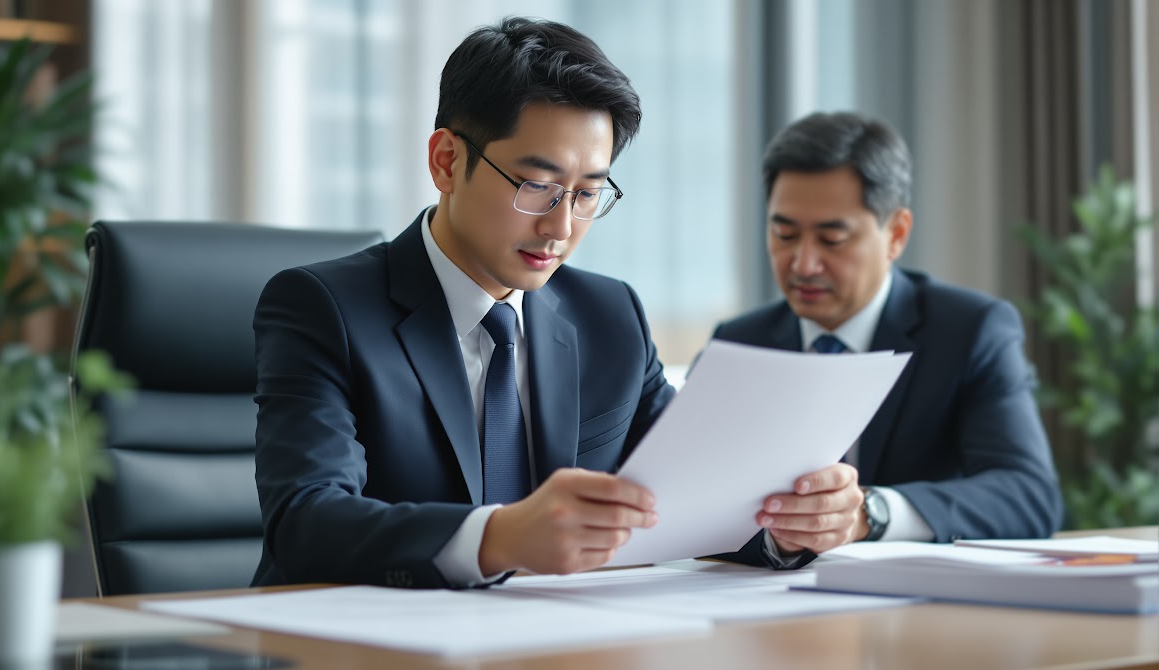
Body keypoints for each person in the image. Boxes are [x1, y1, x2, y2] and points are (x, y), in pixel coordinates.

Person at [251, 18, 857, 589]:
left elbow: (688, 497)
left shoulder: (609, 315)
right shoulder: (324, 308)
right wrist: (499, 539)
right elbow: (305, 519)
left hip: (556, 638)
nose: (561, 227)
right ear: (447, 161)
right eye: (536, 186)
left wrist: (785, 525)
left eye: (588, 193)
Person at [713, 111, 1063, 557]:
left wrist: (871, 513)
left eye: (832, 240)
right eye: (784, 234)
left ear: (896, 234)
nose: (803, 263)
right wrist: (779, 539)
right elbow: (698, 504)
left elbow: (1027, 495)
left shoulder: (969, 330)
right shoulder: (740, 343)